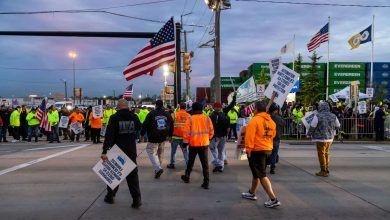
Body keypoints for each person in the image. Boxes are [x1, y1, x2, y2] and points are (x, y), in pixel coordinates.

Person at [101, 99, 142, 209]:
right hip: (131, 150)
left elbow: (109, 136)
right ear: (128, 107)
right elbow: (139, 128)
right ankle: (136, 199)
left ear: (118, 107)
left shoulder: (114, 118)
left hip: (117, 150)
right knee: (132, 176)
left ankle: (110, 196)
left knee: (114, 174)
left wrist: (105, 151)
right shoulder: (134, 117)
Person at [241, 101, 280, 208]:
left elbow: (249, 138)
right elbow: (273, 135)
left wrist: (248, 151)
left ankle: (273, 199)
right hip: (268, 149)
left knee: (262, 175)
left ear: (256, 110)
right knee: (256, 173)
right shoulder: (271, 122)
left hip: (257, 150)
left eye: (254, 109)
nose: (253, 110)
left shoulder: (254, 120)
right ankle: (251, 192)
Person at [181, 102, 214, 189]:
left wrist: (185, 144)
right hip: (204, 144)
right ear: (202, 109)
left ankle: (187, 177)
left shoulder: (190, 119)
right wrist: (208, 138)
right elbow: (211, 131)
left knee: (190, 162)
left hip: (193, 144)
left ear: (193, 109)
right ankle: (206, 182)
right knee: (205, 164)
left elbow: (186, 133)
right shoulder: (207, 118)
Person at [141, 100, 172, 179]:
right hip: (163, 136)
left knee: (151, 151)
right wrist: (170, 135)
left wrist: (142, 134)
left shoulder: (151, 113)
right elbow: (171, 124)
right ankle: (158, 168)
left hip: (153, 137)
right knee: (160, 153)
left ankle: (158, 168)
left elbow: (145, 124)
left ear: (156, 105)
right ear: (162, 105)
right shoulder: (167, 114)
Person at [308, 102, 340, 177]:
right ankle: (326, 168)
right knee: (326, 153)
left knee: (321, 153)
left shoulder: (318, 116)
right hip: (330, 138)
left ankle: (323, 170)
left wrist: (309, 134)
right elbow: (338, 126)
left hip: (320, 138)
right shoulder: (333, 116)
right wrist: (331, 129)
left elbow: (312, 126)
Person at [209, 93, 236, 172]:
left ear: (214, 108)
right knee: (220, 151)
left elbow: (211, 127)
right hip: (223, 136)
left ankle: (218, 164)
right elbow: (231, 105)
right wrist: (234, 97)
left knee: (212, 149)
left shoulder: (212, 116)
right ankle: (221, 165)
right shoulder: (225, 114)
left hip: (216, 137)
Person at [167, 102, 191, 169]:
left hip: (175, 136)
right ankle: (188, 164)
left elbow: (171, 126)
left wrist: (169, 136)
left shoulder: (175, 114)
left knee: (173, 151)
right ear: (185, 107)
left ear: (179, 107)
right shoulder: (189, 116)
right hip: (184, 138)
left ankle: (172, 164)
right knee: (185, 151)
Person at [268, 103, 285, 174]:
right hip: (276, 138)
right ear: (276, 110)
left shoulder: (267, 118)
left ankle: (265, 164)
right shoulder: (280, 119)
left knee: (267, 153)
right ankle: (273, 166)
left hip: (267, 138)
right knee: (274, 153)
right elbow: (283, 126)